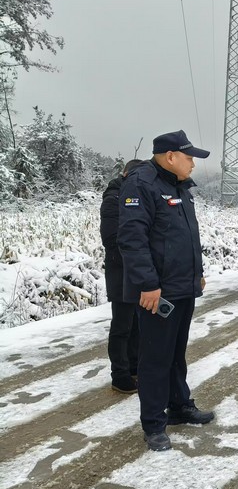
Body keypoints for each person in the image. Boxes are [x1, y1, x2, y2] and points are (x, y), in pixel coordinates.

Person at [118, 130, 214, 452]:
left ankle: (179, 406)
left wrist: (197, 274)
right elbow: (132, 239)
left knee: (176, 353)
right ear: (171, 157)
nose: (193, 165)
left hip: (182, 286)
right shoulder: (141, 184)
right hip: (158, 292)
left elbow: (187, 235)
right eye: (190, 158)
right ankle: (154, 423)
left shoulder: (180, 186)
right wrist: (147, 284)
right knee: (155, 359)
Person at [100, 159, 144, 394]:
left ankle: (134, 366)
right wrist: (132, 261)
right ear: (127, 174)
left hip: (136, 272)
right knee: (122, 325)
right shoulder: (113, 198)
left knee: (136, 322)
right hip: (120, 272)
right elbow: (111, 239)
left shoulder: (135, 195)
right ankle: (119, 374)